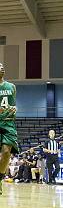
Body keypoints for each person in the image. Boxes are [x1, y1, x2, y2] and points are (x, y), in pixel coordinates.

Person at [0, 63, 18, 195]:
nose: (1, 68)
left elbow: (13, 104)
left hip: (8, 123)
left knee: (6, 152)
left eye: (2, 66)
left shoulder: (12, 87)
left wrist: (14, 109)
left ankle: (0, 178)